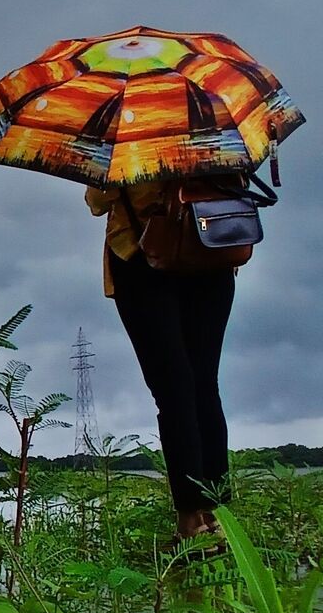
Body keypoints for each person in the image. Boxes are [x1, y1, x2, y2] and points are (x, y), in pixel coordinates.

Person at [86, 178, 235, 541]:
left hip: (143, 257)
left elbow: (97, 200)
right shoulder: (212, 129)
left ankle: (190, 519)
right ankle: (215, 513)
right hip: (211, 252)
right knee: (203, 384)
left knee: (173, 390)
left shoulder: (133, 135)